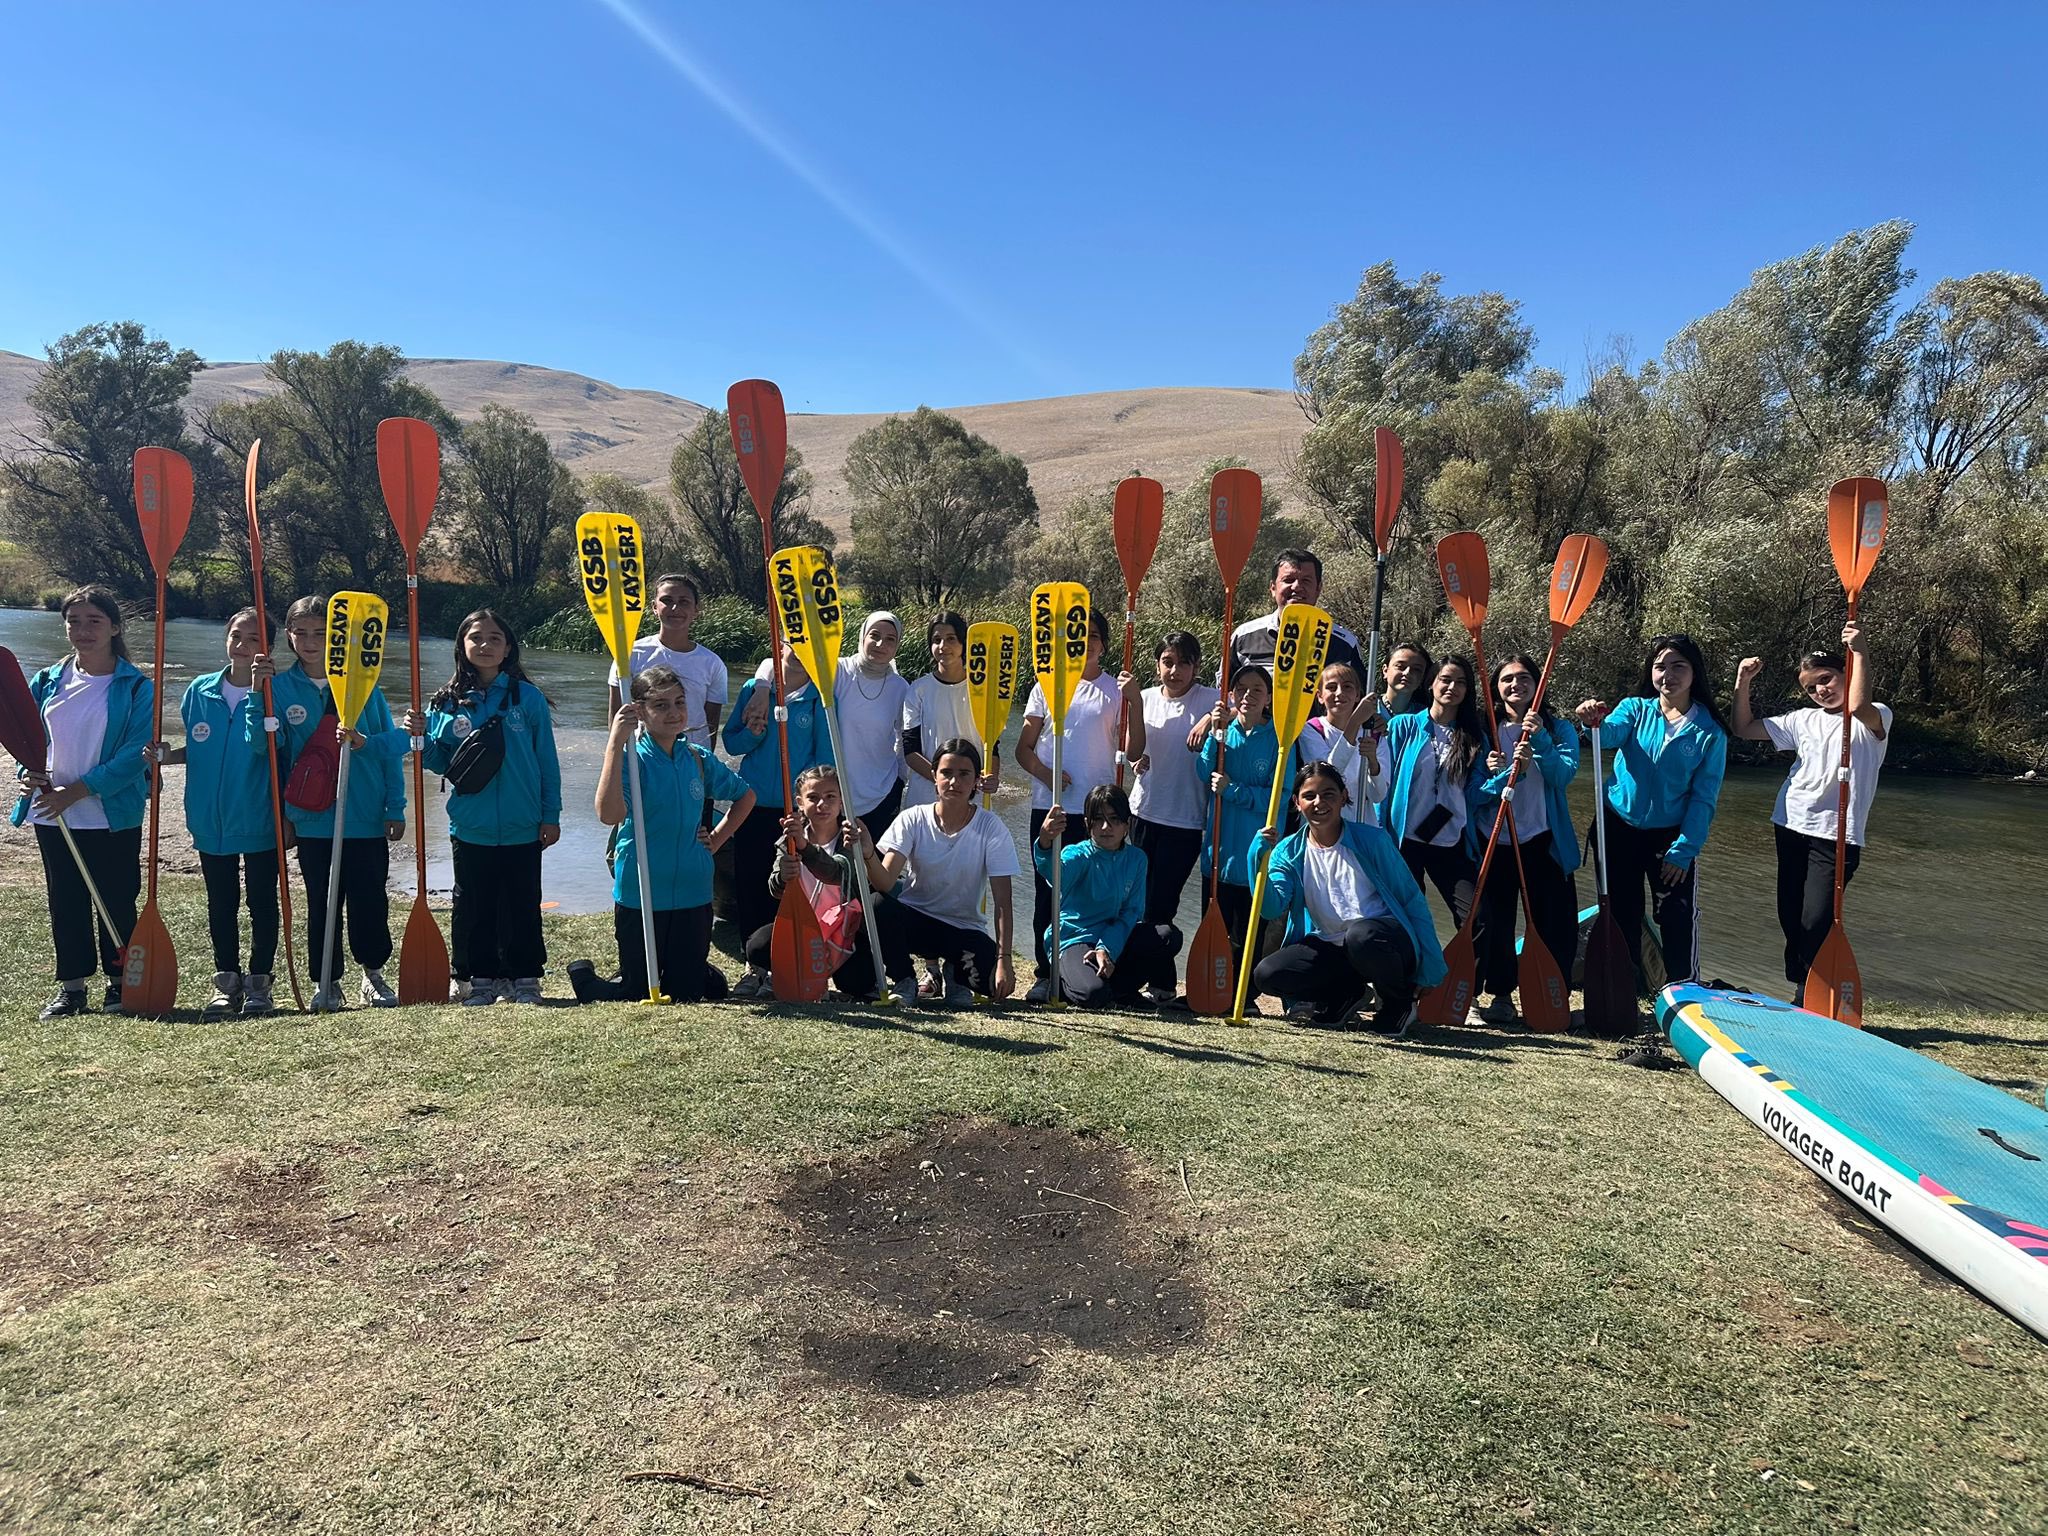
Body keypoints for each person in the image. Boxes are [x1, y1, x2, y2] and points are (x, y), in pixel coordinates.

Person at [250, 594, 407, 1011]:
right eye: (300, 632)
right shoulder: (279, 689)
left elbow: (394, 746)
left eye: (321, 632)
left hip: (366, 814)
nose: (310, 640)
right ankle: (327, 979)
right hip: (313, 817)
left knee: (369, 897)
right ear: (288, 636)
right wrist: (285, 816)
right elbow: (272, 756)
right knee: (321, 900)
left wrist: (395, 805)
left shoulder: (364, 686)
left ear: (338, 637)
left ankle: (373, 975)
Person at [1574, 633, 1729, 1044]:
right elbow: (1604, 736)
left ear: (1695, 673)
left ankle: (1686, 1008)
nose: (1668, 674)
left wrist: (1684, 850)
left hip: (1671, 838)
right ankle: (1621, 1003)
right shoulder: (1634, 710)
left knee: (1676, 919)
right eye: (1661, 666)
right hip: (1618, 828)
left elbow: (1704, 799)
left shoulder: (1710, 733)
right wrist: (1592, 718)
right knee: (1622, 918)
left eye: (1679, 666)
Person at [405, 609, 562, 1007]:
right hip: (470, 824)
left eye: (495, 638)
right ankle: (478, 978)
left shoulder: (527, 699)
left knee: (522, 903)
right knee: (474, 904)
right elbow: (444, 764)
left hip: (523, 823)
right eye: (476, 638)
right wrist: (420, 740)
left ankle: (524, 977)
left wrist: (551, 815)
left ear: (508, 648)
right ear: (462, 646)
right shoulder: (446, 702)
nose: (485, 645)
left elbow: (547, 762)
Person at [13, 586, 152, 1018]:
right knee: (65, 898)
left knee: (115, 897)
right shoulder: (48, 680)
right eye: (74, 621)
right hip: (51, 813)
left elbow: (135, 753)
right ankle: (72, 988)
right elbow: (26, 739)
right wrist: (27, 775)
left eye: (94, 621)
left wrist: (79, 790)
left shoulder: (135, 686)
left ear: (114, 627)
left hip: (110, 813)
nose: (83, 630)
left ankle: (118, 984)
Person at [1732, 622, 1890, 1003]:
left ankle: (1811, 993)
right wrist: (1743, 681)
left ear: (1844, 674)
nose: (1821, 690)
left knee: (1817, 918)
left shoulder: (1876, 716)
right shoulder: (1802, 719)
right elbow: (1743, 728)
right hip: (1789, 822)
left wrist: (1860, 652)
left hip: (1837, 833)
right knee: (1789, 912)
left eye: (1827, 679)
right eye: (1811, 686)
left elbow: (1856, 706)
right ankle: (1803, 988)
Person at [1246, 762, 1446, 1032]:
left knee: (1361, 935)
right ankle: (1346, 995)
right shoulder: (1287, 851)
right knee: (1267, 975)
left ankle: (1398, 1004)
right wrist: (1255, 860)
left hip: (1384, 940)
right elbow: (1270, 909)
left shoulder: (1373, 841)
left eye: (1329, 794)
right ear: (1296, 802)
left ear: (1343, 797)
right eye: (1309, 796)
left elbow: (1412, 901)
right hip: (1333, 945)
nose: (1319, 803)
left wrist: (1430, 969)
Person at [596, 664, 754, 1002]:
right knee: (636, 991)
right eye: (661, 705)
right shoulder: (631, 760)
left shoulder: (697, 758)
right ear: (640, 711)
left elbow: (746, 797)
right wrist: (614, 744)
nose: (674, 712)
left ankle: (697, 972)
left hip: (693, 892)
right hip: (641, 890)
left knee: (687, 994)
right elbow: (608, 814)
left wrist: (716, 839)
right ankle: (590, 975)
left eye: (679, 702)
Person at [154, 606, 282, 1016]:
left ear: (270, 647)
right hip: (210, 818)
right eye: (237, 636)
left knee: (262, 901)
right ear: (226, 638)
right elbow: (203, 749)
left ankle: (260, 983)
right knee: (220, 902)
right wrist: (169, 755)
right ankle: (226, 981)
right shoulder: (199, 690)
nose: (243, 646)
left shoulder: (276, 693)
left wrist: (260, 696)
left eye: (254, 639)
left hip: (258, 816)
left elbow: (272, 749)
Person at [1016, 608, 1141, 1002]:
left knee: (1098, 897)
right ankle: (1043, 972)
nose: (1083, 643)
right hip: (1052, 806)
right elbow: (1023, 749)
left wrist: (1134, 701)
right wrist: (1046, 773)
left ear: (1103, 643)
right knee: (1047, 891)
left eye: (1091, 636)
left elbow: (1133, 750)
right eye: (1076, 636)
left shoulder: (1115, 689)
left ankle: (1093, 960)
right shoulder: (1046, 685)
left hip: (1099, 814)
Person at [1471, 653, 1581, 1025]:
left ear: (1538, 684)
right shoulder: (1485, 730)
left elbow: (1563, 777)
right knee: (1498, 923)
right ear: (1495, 687)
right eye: (1506, 679)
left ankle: (1553, 994)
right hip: (1496, 839)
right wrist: (1497, 775)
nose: (1515, 685)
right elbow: (1474, 793)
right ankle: (1501, 996)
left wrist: (1542, 747)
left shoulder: (1558, 729)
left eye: (1523, 678)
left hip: (1542, 841)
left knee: (1555, 921)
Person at [869, 738, 1018, 1007]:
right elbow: (884, 881)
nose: (954, 782)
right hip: (918, 922)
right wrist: (867, 853)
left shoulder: (992, 828)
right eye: (946, 773)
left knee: (991, 981)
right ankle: (905, 980)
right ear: (934, 776)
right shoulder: (912, 818)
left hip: (963, 930)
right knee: (877, 905)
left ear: (975, 781)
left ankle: (956, 975)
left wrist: (1004, 959)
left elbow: (1003, 903)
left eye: (963, 774)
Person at [733, 764, 880, 1002]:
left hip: (841, 933)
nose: (822, 804)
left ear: (842, 801)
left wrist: (805, 848)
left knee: (859, 981)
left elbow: (838, 874)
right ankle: (777, 974)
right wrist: (783, 876)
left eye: (830, 797)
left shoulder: (850, 837)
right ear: (800, 803)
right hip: (801, 928)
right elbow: (775, 888)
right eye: (813, 797)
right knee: (758, 946)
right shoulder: (788, 840)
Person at [722, 637, 833, 940]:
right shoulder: (755, 690)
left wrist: (810, 805)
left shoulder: (819, 697)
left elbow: (824, 757)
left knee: (787, 879)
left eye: (808, 644)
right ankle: (753, 956)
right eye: (793, 642)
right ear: (780, 643)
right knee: (750, 877)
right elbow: (731, 742)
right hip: (752, 803)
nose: (799, 651)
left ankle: (783, 946)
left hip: (793, 810)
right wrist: (753, 734)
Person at [1034, 783, 1182, 1009]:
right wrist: (1045, 843)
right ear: (1087, 823)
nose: (1106, 827)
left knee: (1167, 936)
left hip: (1112, 938)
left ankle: (1120, 991)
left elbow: (1131, 913)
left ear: (1127, 824)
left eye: (1114, 819)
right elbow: (1056, 874)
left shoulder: (1136, 859)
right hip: (1075, 938)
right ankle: (1075, 984)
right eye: (1098, 819)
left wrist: (1106, 948)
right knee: (1092, 995)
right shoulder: (1077, 854)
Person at [1127, 631, 1220, 964]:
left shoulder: (1211, 698)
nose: (1175, 670)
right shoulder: (1146, 697)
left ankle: (1161, 980)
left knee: (1164, 902)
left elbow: (1242, 707)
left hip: (1186, 819)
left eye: (1184, 663)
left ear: (1196, 667)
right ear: (1157, 665)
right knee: (1136, 899)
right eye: (1168, 662)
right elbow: (1129, 748)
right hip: (1142, 811)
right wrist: (1135, 758)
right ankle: (1140, 975)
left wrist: (1210, 719)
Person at [1376, 655, 1488, 931]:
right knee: (1409, 921)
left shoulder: (1475, 737)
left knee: (1478, 919)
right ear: (1431, 684)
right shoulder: (1403, 726)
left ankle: (1461, 975)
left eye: (1460, 682)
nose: (1452, 687)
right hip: (1405, 841)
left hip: (1451, 843)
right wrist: (1379, 836)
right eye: (1446, 680)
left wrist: (1504, 778)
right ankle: (1414, 974)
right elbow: (1383, 785)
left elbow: (1475, 795)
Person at [1197, 664, 1287, 960]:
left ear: (1269, 698)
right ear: (1232, 695)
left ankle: (1244, 999)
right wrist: (1214, 734)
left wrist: (1233, 790)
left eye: (1257, 690)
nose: (1248, 695)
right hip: (1219, 852)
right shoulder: (1224, 733)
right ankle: (1209, 993)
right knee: (1216, 932)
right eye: (1241, 690)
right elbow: (1203, 772)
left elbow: (1280, 796)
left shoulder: (1279, 739)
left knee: (1247, 936)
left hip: (1256, 855)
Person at [604, 573, 727, 749]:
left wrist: (704, 768)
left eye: (684, 601)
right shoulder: (629, 655)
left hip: (692, 760)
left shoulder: (713, 664)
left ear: (696, 609)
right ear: (654, 607)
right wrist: (620, 758)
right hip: (643, 757)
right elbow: (616, 716)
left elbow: (711, 725)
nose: (675, 608)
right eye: (667, 601)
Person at [1225, 548, 1363, 698]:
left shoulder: (1344, 644)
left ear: (1318, 589)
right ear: (1273, 588)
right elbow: (1226, 695)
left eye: (1306, 581)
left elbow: (1360, 701)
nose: (1297, 587)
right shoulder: (1244, 638)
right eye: (1288, 580)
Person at [834, 611, 910, 841]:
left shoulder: (901, 688)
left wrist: (899, 782)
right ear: (862, 636)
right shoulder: (838, 671)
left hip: (880, 794)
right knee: (824, 871)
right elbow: (775, 664)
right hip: (830, 794)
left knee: (869, 872)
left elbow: (904, 740)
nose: (880, 644)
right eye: (874, 635)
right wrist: (760, 688)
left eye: (890, 639)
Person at [902, 611, 984, 811]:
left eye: (951, 639)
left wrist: (990, 777)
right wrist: (942, 779)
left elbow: (994, 745)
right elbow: (910, 750)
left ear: (963, 643)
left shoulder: (982, 689)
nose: (943, 646)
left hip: (971, 794)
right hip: (925, 797)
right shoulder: (918, 689)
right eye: (936, 640)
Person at [1298, 660, 1386, 818]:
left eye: (1347, 687)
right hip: (1323, 825)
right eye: (1331, 687)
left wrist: (1373, 762)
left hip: (1361, 826)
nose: (1339, 693)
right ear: (1319, 696)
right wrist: (1355, 722)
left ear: (1357, 694)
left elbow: (1378, 795)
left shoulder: (1372, 734)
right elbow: (1326, 775)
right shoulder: (1311, 730)